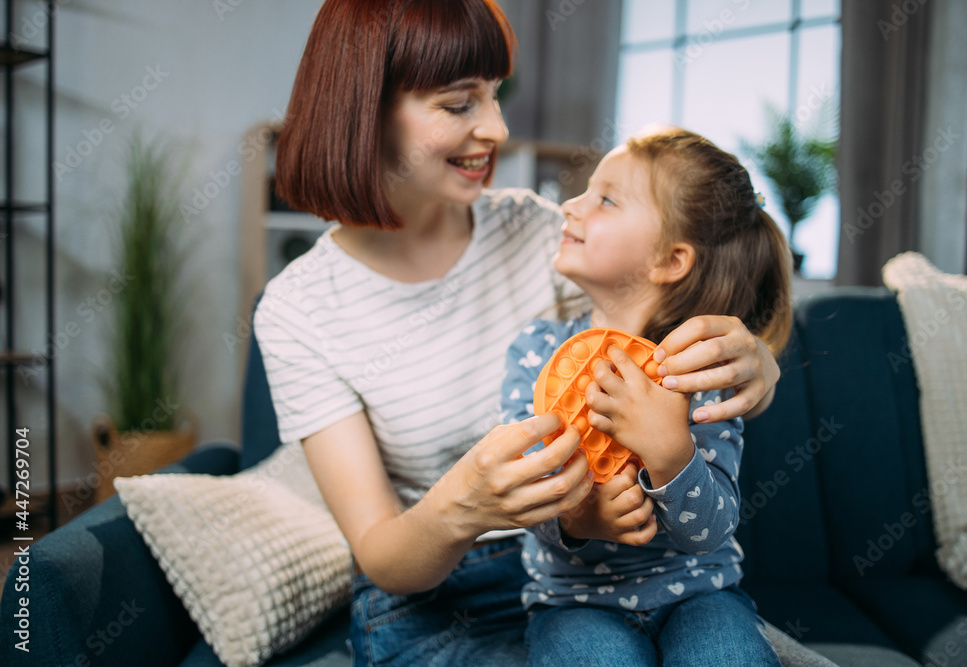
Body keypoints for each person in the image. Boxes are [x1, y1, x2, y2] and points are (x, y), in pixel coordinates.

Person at [254, 1, 824, 665]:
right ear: (366, 108)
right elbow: (383, 551)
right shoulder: (299, 309)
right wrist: (462, 508)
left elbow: (662, 283)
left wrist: (758, 353)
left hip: (636, 575)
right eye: (459, 103)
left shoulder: (535, 230)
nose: (496, 127)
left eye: (494, 96)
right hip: (443, 594)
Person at [500, 127, 790, 666]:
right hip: (573, 603)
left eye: (605, 199)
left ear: (670, 261)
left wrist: (669, 450)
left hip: (702, 597)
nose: (571, 205)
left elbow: (711, 530)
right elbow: (517, 487)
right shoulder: (534, 351)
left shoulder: (700, 369)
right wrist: (577, 519)